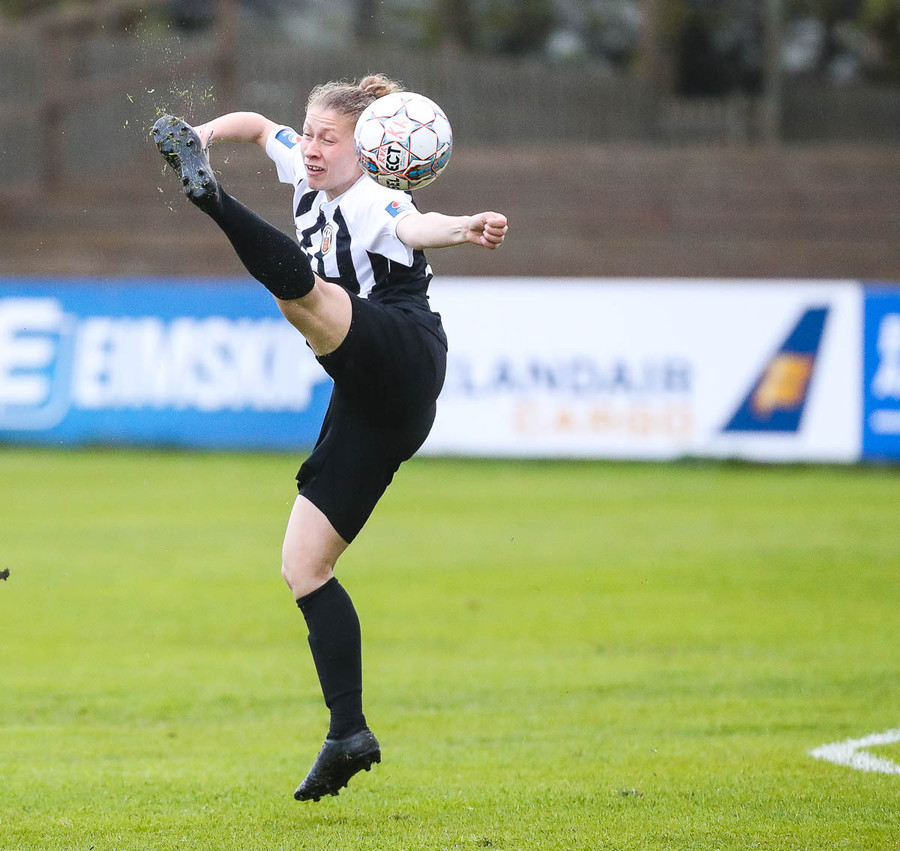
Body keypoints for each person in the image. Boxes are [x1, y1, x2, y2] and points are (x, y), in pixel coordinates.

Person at [151, 74, 508, 802]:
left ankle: (212, 201)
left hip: (404, 352)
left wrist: (465, 226)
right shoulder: (303, 161)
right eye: (310, 133)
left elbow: (418, 227)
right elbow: (259, 125)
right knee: (303, 567)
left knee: (304, 299)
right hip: (371, 399)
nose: (312, 148)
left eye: (328, 139)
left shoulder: (378, 197)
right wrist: (204, 136)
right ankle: (348, 733)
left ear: (366, 149)